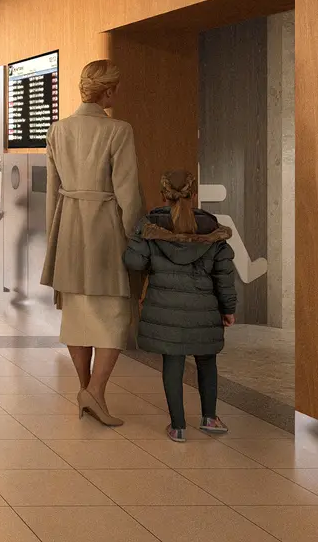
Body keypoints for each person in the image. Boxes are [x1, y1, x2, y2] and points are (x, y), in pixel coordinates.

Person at [41, 59, 144, 426]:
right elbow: (128, 194)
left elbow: (52, 192)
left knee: (77, 313)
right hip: (106, 231)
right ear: (109, 91)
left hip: (67, 228)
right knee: (114, 315)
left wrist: (54, 238)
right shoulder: (119, 130)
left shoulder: (58, 130)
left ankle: (87, 390)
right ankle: (95, 392)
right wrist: (138, 240)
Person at [124, 170, 237, 442]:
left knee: (172, 363)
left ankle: (178, 426)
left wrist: (140, 238)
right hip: (204, 310)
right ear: (194, 194)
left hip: (164, 308)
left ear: (163, 195)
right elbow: (224, 275)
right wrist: (228, 308)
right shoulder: (212, 229)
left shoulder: (151, 226)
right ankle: (210, 418)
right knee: (206, 361)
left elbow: (133, 262)